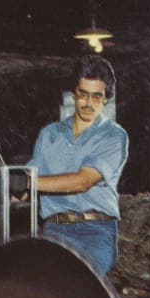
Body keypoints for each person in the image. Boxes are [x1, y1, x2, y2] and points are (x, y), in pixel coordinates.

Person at [25, 55, 128, 275]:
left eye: (97, 97)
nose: (89, 103)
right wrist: (7, 186)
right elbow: (26, 185)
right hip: (53, 231)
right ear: (74, 93)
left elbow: (83, 181)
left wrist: (27, 182)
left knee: (78, 284)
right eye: (83, 94)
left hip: (95, 233)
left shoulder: (114, 136)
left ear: (106, 98)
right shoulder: (49, 135)